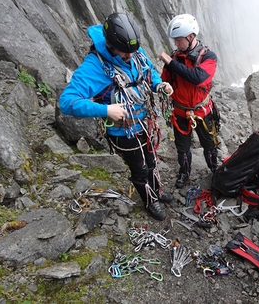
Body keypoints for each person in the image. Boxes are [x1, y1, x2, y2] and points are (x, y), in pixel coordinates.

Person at [59, 12, 174, 220]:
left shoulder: (134, 51)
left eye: (132, 51)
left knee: (151, 160)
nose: (130, 56)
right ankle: (150, 201)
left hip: (144, 121)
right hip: (123, 129)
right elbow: (67, 102)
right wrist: (105, 110)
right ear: (110, 46)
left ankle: (157, 191)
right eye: (124, 53)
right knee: (139, 167)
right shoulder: (94, 66)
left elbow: (148, 71)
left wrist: (159, 85)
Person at [159, 14, 220, 189]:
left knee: (209, 144)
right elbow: (165, 80)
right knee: (182, 147)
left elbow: (197, 77)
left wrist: (170, 62)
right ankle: (184, 173)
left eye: (179, 40)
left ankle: (214, 169)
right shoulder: (174, 58)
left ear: (191, 37)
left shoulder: (209, 57)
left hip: (202, 111)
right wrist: (163, 88)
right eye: (175, 41)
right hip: (180, 111)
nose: (176, 44)